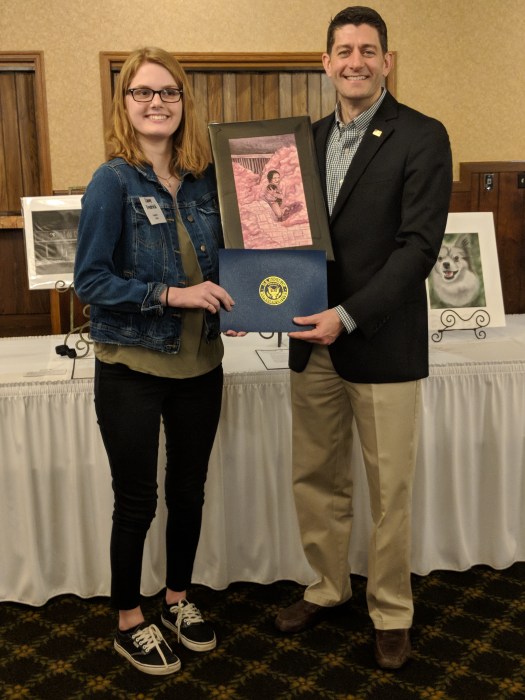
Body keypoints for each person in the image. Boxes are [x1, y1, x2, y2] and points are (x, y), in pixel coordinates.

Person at [274, 6, 452, 670]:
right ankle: (326, 587)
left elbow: (417, 248)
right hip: (308, 340)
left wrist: (346, 315)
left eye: (368, 50)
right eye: (344, 51)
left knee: (388, 490)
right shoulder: (301, 141)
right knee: (316, 477)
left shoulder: (422, 136)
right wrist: (263, 291)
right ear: (325, 63)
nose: (356, 61)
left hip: (379, 340)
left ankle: (391, 609)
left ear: (387, 62)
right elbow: (280, 234)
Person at [74, 47, 241, 676]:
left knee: (189, 491)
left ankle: (176, 599)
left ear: (183, 102)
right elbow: (90, 280)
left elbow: (234, 257)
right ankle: (127, 619)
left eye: (168, 92)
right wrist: (170, 295)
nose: (157, 103)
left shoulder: (204, 179)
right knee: (137, 501)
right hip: (133, 368)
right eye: (142, 92)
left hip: (202, 363)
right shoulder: (111, 181)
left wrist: (249, 297)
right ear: (125, 103)